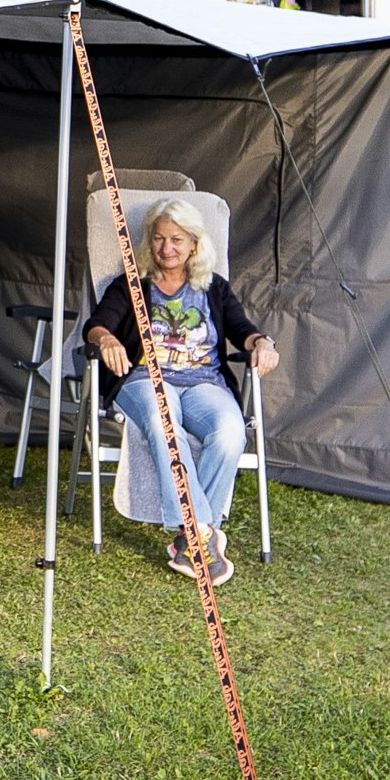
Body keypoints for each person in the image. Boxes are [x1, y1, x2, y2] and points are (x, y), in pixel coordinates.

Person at [83, 198, 276, 588]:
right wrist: (107, 342)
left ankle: (190, 536)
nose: (166, 248)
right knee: (162, 417)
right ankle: (203, 533)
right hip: (142, 379)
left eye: (176, 240)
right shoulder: (132, 286)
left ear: (193, 244)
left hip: (204, 381)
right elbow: (97, 325)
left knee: (230, 432)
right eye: (158, 239)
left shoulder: (213, 288)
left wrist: (263, 343)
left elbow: (243, 329)